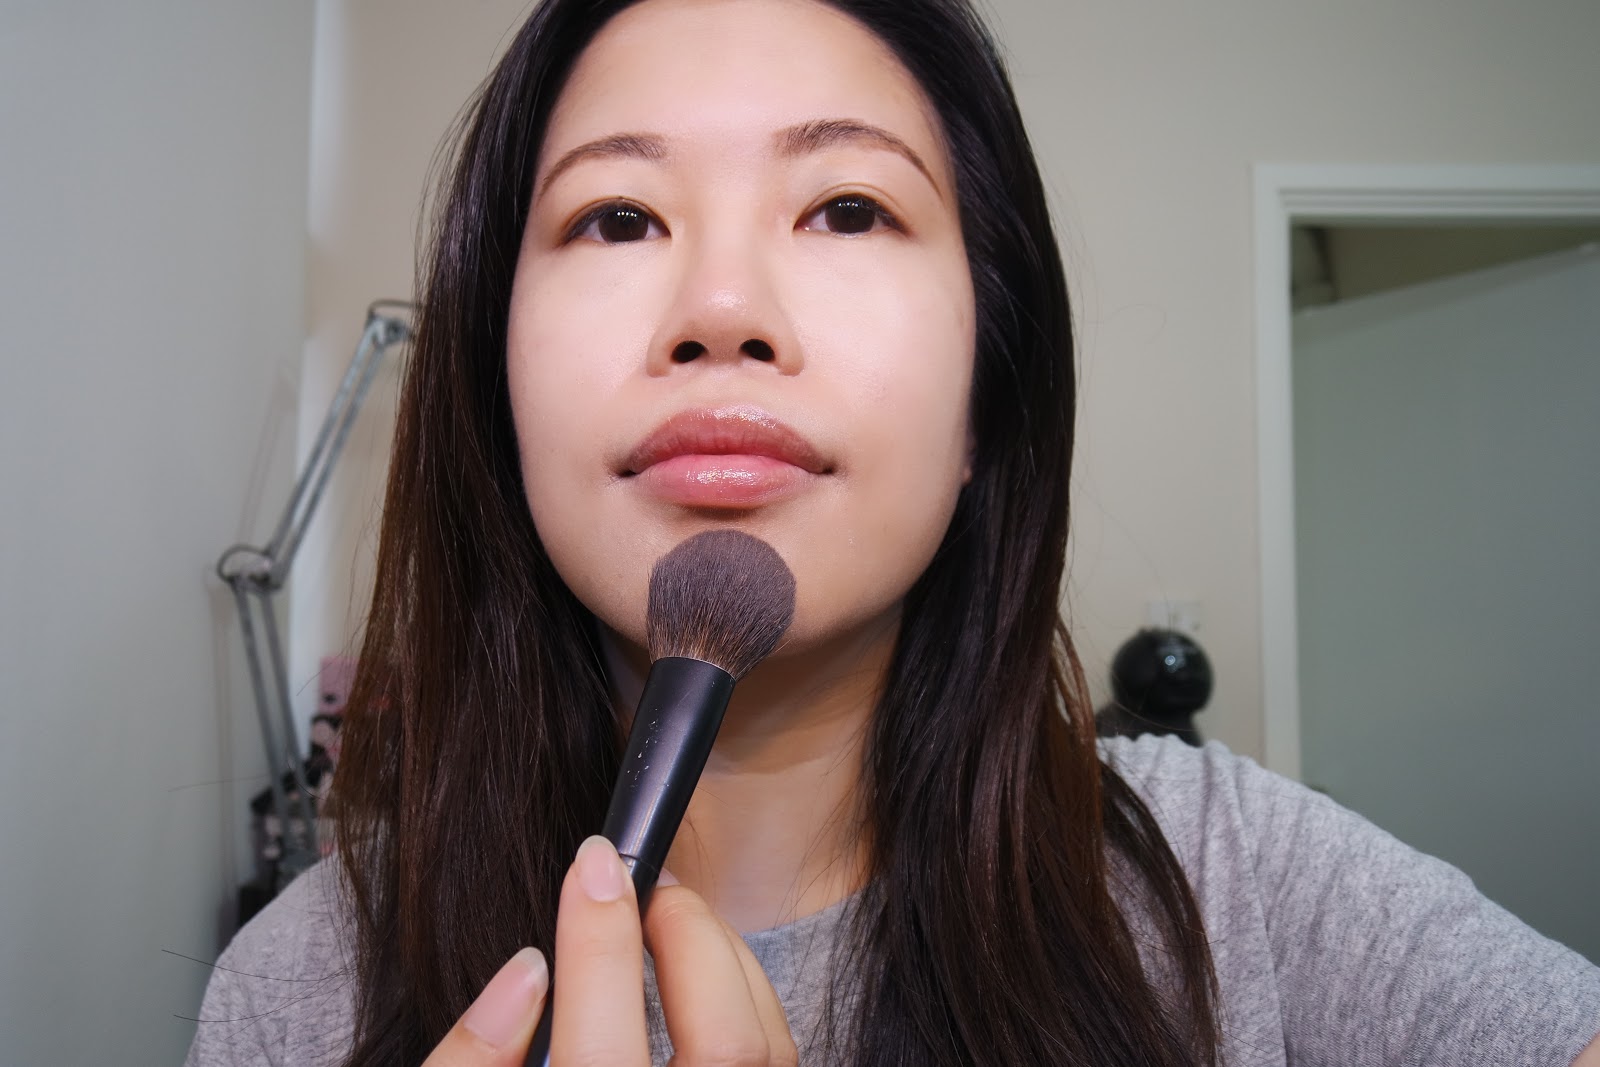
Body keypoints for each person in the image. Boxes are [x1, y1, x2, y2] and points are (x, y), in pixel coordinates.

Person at [184, 0, 1600, 1064]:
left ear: (986, 397)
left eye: (848, 209)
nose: (722, 307)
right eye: (617, 218)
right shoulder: (295, 992)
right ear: (495, 385)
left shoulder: (1236, 883)